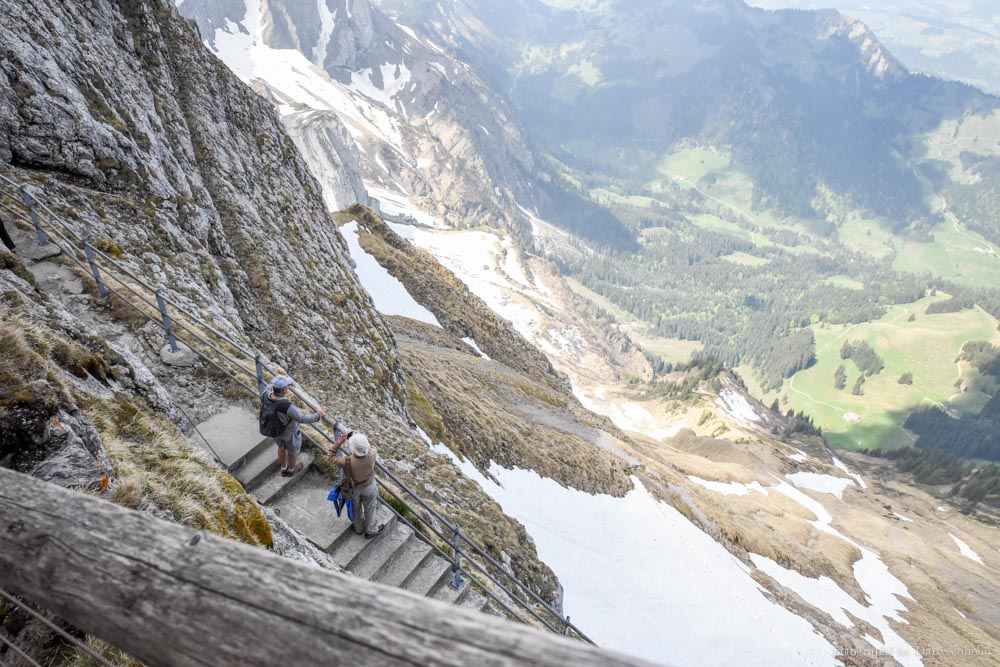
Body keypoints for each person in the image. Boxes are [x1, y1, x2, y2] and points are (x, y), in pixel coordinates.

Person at [260, 375, 325, 476]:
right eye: (287, 387)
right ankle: (291, 470)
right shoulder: (287, 406)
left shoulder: (265, 395)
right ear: (285, 391)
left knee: (281, 448)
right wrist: (318, 415)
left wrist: (277, 382)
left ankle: (283, 467)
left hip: (274, 431)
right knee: (292, 452)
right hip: (290, 434)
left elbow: (269, 387)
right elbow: (302, 418)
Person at [331, 432, 381, 538]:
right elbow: (373, 445)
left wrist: (339, 443)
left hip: (353, 488)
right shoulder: (372, 455)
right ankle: (371, 530)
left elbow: (331, 456)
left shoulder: (346, 461)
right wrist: (361, 437)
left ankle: (359, 529)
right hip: (369, 486)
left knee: (356, 508)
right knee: (370, 508)